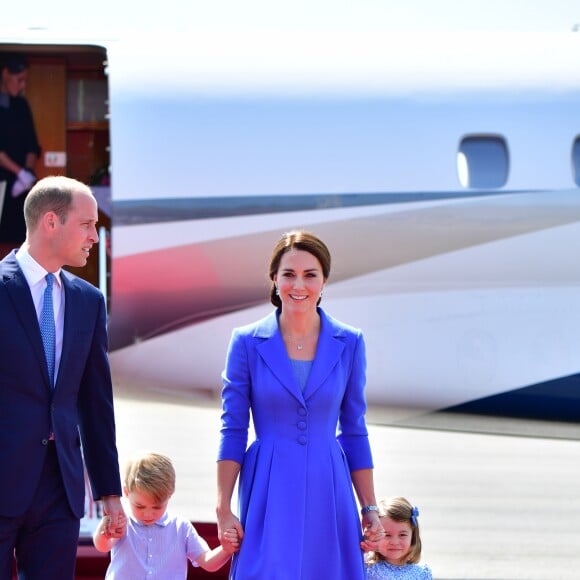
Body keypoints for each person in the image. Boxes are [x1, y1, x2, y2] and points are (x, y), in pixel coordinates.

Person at [216, 230, 383, 579]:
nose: (298, 285)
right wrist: (223, 507)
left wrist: (369, 507)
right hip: (268, 483)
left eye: (310, 275)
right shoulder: (245, 342)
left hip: (329, 482)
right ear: (274, 279)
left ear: (324, 282)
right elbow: (233, 427)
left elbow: (354, 429)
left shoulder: (350, 342)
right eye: (289, 274)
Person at [0, 175, 124, 579]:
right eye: (86, 224)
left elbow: (95, 403)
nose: (94, 235)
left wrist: (109, 492)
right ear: (51, 222)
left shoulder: (89, 301)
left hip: (60, 491)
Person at [94, 452, 239, 578]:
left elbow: (208, 562)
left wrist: (226, 549)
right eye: (140, 506)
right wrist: (105, 531)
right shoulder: (123, 522)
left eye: (157, 507)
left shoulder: (181, 528)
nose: (148, 513)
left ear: (170, 494)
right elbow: (103, 546)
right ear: (126, 493)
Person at [0, 53, 41, 258]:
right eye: (19, 80)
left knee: (21, 237)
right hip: (3, 180)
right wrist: (18, 172)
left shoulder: (22, 106)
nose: (22, 85)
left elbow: (32, 145)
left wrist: (26, 172)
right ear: (5, 73)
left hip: (21, 186)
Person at [361, 496, 432, 579]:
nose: (394, 542)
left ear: (413, 536)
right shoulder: (366, 567)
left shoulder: (422, 574)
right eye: (387, 535)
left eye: (402, 535)